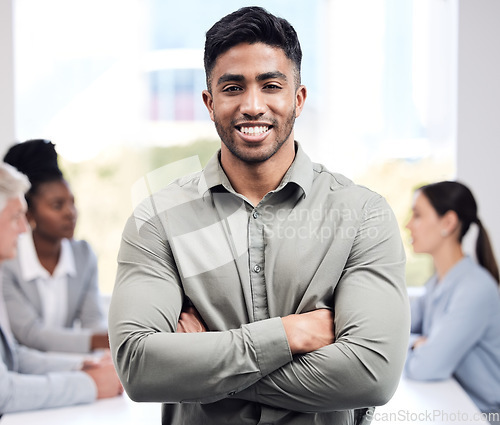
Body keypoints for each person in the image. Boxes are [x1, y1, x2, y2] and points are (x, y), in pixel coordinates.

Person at [109, 6, 410, 425]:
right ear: (209, 103)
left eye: (271, 85)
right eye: (233, 88)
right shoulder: (157, 220)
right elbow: (139, 369)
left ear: (298, 99)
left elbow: (371, 375)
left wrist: (204, 364)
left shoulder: (362, 215)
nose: (252, 106)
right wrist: (291, 335)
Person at [0, 162, 123, 414]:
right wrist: (90, 384)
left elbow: (11, 357)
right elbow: (5, 392)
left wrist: (82, 365)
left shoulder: (82, 254)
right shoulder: (9, 267)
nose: (22, 228)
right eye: (15, 218)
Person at [405, 181, 500, 422]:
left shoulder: (474, 288)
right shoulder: (437, 283)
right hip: (452, 404)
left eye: (417, 215)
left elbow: (425, 368)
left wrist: (419, 347)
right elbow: (394, 331)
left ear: (448, 223)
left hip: (482, 415)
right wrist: (418, 342)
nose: (408, 225)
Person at [2, 139, 108, 353]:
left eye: (72, 202)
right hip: (26, 372)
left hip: (69, 365)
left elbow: (93, 321)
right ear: (29, 213)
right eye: (57, 205)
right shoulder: (8, 260)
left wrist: (103, 355)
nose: (71, 213)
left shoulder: (83, 254)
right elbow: (31, 335)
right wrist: (104, 341)